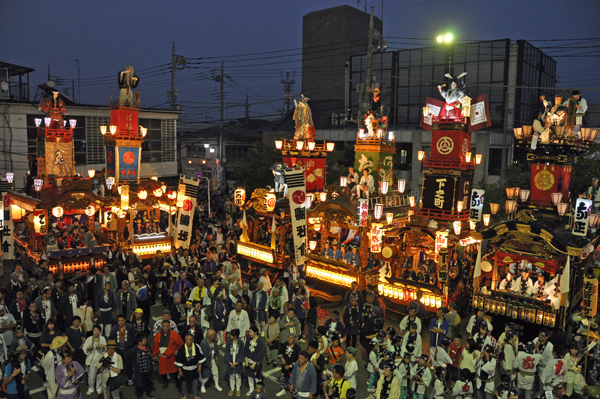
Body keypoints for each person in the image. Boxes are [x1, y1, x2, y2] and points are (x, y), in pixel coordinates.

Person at [152, 320, 183, 389]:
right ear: (161, 327)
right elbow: (155, 345)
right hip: (162, 358)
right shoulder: (158, 335)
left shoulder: (174, 334)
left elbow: (180, 343)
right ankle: (165, 382)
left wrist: (177, 350)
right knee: (163, 372)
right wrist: (155, 355)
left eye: (167, 326)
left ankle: (178, 384)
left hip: (171, 357)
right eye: (164, 326)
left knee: (174, 372)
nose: (165, 328)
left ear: (169, 326)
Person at [175, 333, 205, 399]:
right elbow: (179, 360)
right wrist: (179, 370)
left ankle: (195, 395)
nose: (188, 341)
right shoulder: (182, 348)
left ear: (193, 340)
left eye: (190, 340)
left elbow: (201, 357)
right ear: (185, 340)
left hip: (194, 368)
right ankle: (184, 395)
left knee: (195, 382)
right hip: (185, 369)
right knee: (184, 382)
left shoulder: (196, 347)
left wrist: (200, 367)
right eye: (187, 340)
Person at [109, 314, 135, 385]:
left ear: (125, 321)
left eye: (122, 320)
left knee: (129, 364)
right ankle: (121, 379)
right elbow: (111, 338)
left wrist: (130, 345)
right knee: (119, 365)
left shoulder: (130, 327)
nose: (120, 322)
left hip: (127, 349)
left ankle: (129, 378)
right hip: (118, 349)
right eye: (119, 321)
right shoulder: (114, 329)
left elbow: (133, 337)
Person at [83, 325, 106, 395]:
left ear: (100, 332)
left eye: (98, 330)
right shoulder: (89, 339)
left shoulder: (102, 339)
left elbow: (105, 350)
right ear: (93, 331)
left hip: (99, 361)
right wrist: (88, 348)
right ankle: (91, 388)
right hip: (91, 361)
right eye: (95, 330)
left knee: (99, 376)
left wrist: (102, 347)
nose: (96, 332)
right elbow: (84, 348)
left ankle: (98, 388)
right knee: (91, 376)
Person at [244, 325, 265, 396]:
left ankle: (259, 391)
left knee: (257, 378)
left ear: (256, 332)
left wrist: (254, 363)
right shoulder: (248, 339)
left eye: (251, 332)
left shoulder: (260, 341)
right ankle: (251, 389)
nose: (249, 333)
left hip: (256, 363)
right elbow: (246, 350)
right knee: (249, 376)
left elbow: (260, 353)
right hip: (249, 361)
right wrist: (246, 360)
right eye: (249, 332)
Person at [225, 328, 245, 396]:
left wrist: (237, 362)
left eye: (231, 335)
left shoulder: (241, 343)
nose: (230, 336)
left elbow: (242, 353)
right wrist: (230, 362)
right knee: (231, 376)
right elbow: (227, 352)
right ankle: (232, 388)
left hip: (237, 363)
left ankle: (238, 389)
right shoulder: (229, 342)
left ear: (236, 336)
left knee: (238, 376)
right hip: (231, 362)